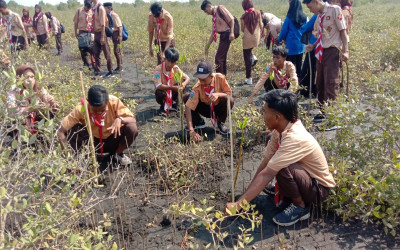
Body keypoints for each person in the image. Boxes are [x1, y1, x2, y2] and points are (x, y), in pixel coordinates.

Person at [226, 89, 335, 226]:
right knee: (275, 160)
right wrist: (245, 197)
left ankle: (300, 207)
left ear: (277, 117)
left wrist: (238, 204)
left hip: (318, 190)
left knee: (282, 167)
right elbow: (265, 163)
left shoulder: (294, 137)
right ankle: (287, 190)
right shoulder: (280, 130)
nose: (262, 114)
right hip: (306, 178)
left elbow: (267, 173)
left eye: (265, 111)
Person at [57, 85, 138, 170]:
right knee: (69, 130)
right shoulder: (82, 109)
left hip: (112, 139)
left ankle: (117, 154)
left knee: (132, 128)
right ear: (88, 102)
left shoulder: (114, 102)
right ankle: (81, 158)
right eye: (95, 111)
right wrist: (70, 157)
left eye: (102, 110)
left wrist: (120, 119)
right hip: (92, 143)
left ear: (107, 102)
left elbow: (132, 120)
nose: (99, 113)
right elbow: (60, 131)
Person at [303, 0, 348, 123]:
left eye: (310, 7)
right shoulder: (319, 16)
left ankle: (332, 118)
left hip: (333, 51)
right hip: (320, 51)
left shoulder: (335, 10)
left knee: (331, 82)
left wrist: (346, 51)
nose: (310, 10)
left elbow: (343, 31)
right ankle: (323, 112)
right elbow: (323, 35)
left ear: (316, 2)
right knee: (320, 82)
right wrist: (312, 46)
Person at [184, 61, 234, 142]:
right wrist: (191, 130)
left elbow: (229, 94)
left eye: (203, 79)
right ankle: (198, 122)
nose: (201, 82)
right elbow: (188, 107)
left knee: (229, 100)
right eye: (199, 79)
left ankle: (219, 123)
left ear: (211, 76)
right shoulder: (197, 86)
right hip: (205, 109)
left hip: (218, 108)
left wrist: (218, 94)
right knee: (187, 97)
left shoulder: (220, 78)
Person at [6, 65, 59, 135]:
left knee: (49, 114)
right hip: (20, 127)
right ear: (19, 78)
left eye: (32, 77)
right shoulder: (13, 93)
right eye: (26, 77)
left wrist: (52, 104)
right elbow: (10, 112)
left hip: (38, 124)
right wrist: (30, 109)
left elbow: (52, 108)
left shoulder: (39, 89)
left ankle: (41, 136)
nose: (30, 80)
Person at [201, 0, 235, 75]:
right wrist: (207, 46)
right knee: (222, 58)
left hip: (227, 34)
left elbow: (231, 19)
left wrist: (232, 32)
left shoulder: (220, 9)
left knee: (218, 59)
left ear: (210, 6)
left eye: (206, 11)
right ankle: (223, 78)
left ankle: (219, 79)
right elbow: (213, 33)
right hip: (223, 36)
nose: (207, 13)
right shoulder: (214, 17)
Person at [154, 48, 190, 115]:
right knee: (159, 92)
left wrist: (183, 85)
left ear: (175, 62)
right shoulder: (158, 69)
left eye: (173, 62)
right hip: (164, 91)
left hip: (173, 91)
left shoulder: (175, 68)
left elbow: (187, 78)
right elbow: (158, 85)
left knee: (181, 83)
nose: (170, 64)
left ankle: (175, 103)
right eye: (169, 61)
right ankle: (163, 105)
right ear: (165, 59)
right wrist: (173, 88)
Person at [278, 0, 307, 78]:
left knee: (290, 67)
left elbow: (283, 31)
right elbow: (306, 30)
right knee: (299, 65)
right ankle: (299, 83)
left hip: (291, 46)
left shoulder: (289, 18)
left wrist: (279, 40)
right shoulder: (304, 17)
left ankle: (291, 84)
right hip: (301, 46)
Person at [240, 0, 263, 85]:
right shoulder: (258, 13)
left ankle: (249, 78)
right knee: (250, 51)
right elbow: (261, 25)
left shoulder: (243, 17)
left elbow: (242, 29)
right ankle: (253, 57)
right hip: (256, 37)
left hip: (247, 39)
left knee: (247, 58)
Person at [91, 0, 114, 78]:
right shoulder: (93, 9)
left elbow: (103, 24)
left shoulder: (100, 8)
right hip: (96, 33)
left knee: (107, 53)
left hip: (101, 33)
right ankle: (98, 72)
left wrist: (102, 37)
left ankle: (111, 72)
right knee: (96, 54)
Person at [298, 14, 318, 98]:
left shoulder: (317, 15)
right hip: (323, 48)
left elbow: (306, 27)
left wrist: (302, 26)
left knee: (308, 69)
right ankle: (315, 90)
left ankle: (306, 91)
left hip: (314, 46)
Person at [73, 0, 94, 69]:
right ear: (84, 5)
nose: (88, 9)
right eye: (87, 7)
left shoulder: (92, 10)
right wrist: (76, 32)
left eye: (89, 8)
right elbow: (76, 23)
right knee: (82, 48)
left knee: (92, 48)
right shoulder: (79, 11)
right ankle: (86, 64)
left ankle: (93, 64)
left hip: (90, 32)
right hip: (82, 32)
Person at [104, 2, 123, 74]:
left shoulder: (114, 15)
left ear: (108, 8)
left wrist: (120, 36)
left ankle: (120, 66)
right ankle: (120, 66)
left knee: (117, 51)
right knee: (118, 51)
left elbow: (120, 26)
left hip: (117, 35)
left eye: (105, 8)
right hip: (114, 35)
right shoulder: (108, 15)